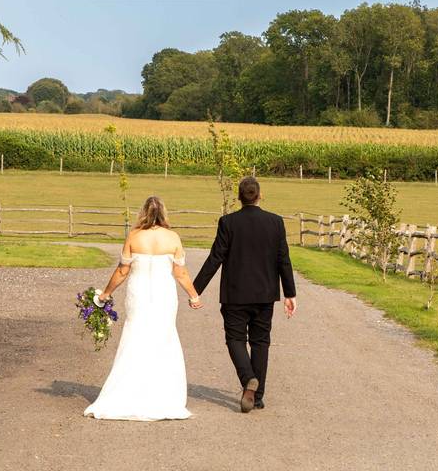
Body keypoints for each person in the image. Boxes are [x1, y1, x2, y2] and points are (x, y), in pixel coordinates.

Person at [84, 196, 202, 421]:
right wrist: (193, 296)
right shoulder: (173, 237)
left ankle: (128, 391)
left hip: (138, 294)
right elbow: (180, 272)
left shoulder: (134, 236)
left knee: (136, 337)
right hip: (164, 295)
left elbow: (122, 271)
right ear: (164, 213)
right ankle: (162, 395)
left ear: (143, 213)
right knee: (163, 338)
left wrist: (105, 294)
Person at [192, 177, 297, 413]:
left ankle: (249, 378)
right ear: (260, 195)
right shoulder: (275, 222)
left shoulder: (228, 222)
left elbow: (215, 257)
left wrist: (195, 289)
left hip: (235, 294)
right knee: (260, 342)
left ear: (239, 197)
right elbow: (284, 260)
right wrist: (290, 293)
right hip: (265, 294)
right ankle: (257, 397)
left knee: (235, 340)